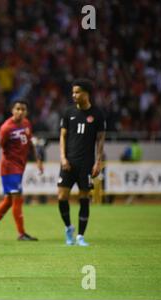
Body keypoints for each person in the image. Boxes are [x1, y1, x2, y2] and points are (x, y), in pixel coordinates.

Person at [0, 100, 43, 241]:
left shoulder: (27, 124)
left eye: (23, 109)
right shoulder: (6, 128)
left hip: (20, 167)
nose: (20, 112)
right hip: (9, 168)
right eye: (18, 109)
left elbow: (31, 143)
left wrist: (38, 161)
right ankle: (21, 233)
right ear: (12, 110)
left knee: (9, 201)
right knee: (18, 198)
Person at [58, 79, 105, 246]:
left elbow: (100, 140)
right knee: (62, 196)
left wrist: (98, 162)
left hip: (87, 164)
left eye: (77, 92)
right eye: (73, 92)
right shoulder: (68, 112)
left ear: (87, 93)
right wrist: (63, 157)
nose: (74, 95)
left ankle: (80, 236)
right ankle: (69, 227)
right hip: (68, 163)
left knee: (84, 197)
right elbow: (62, 137)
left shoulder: (97, 114)